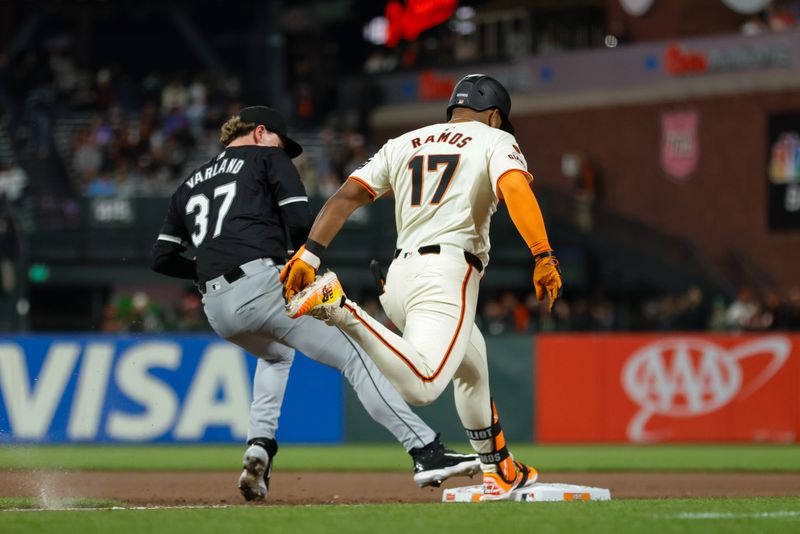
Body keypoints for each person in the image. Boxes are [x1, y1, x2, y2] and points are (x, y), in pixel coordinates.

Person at [150, 105, 479, 502]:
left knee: (275, 357)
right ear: (259, 132)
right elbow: (302, 222)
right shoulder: (266, 157)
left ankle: (259, 447)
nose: (281, 151)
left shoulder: (189, 183)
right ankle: (425, 451)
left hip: (217, 306)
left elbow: (162, 258)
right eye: (278, 141)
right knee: (359, 356)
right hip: (261, 284)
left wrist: (211, 271)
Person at [282, 75, 563, 501]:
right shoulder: (491, 137)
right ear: (493, 115)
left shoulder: (405, 141)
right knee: (425, 384)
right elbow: (514, 186)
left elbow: (345, 196)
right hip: (446, 273)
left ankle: (499, 468)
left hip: (400, 277)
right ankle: (340, 307)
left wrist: (309, 254)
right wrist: (543, 254)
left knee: (472, 370)